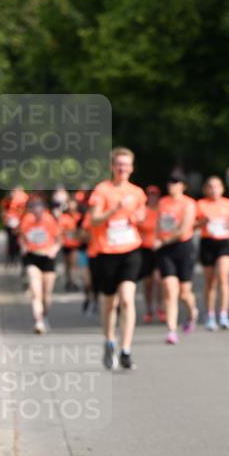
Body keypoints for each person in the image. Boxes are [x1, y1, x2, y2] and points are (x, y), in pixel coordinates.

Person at [88, 148, 147, 370]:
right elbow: (94, 220)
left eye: (126, 165)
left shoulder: (137, 192)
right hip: (106, 251)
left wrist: (138, 217)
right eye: (119, 164)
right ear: (112, 167)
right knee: (109, 303)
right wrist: (113, 209)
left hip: (130, 250)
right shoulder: (102, 190)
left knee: (127, 299)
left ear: (131, 168)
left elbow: (142, 217)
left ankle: (126, 349)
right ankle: (109, 341)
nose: (122, 168)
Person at [154, 173, 198, 343]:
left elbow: (184, 229)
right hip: (165, 250)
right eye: (170, 182)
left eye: (176, 182)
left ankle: (192, 312)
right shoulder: (163, 202)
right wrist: (157, 239)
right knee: (170, 289)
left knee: (184, 292)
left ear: (183, 186)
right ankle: (171, 330)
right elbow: (159, 225)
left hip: (183, 248)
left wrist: (163, 240)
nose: (172, 185)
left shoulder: (188, 203)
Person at [195, 176, 229, 331]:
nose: (214, 190)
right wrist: (202, 222)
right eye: (210, 187)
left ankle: (224, 315)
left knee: (223, 276)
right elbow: (192, 225)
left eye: (217, 186)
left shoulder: (228, 204)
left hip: (223, 243)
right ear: (206, 189)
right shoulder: (200, 204)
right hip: (207, 243)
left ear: (222, 188)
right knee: (210, 282)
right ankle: (210, 315)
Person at [18, 195, 60, 333]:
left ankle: (45, 315)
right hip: (32, 257)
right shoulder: (26, 220)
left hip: (47, 258)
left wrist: (54, 249)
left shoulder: (50, 220)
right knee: (36, 292)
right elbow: (21, 237)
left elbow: (59, 239)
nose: (36, 211)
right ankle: (39, 321)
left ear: (44, 209)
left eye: (39, 208)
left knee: (46, 295)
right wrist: (23, 246)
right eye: (33, 208)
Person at [137, 185, 162, 323]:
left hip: (159, 249)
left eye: (155, 194)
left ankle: (160, 307)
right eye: (150, 194)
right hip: (145, 249)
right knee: (148, 282)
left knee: (159, 280)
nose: (152, 197)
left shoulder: (162, 210)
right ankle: (149, 309)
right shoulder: (143, 211)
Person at [58, 197, 82, 290]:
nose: (72, 209)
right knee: (67, 265)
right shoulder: (64, 217)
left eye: (73, 206)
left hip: (75, 245)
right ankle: (68, 280)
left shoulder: (79, 217)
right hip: (66, 244)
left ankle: (74, 281)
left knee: (73, 264)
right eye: (70, 207)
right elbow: (60, 230)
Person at [0, 187, 28, 265]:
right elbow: (4, 211)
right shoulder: (7, 200)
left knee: (18, 241)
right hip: (10, 223)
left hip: (19, 222)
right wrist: (5, 221)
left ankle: (17, 258)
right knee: (11, 241)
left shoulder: (24, 198)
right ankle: (11, 258)